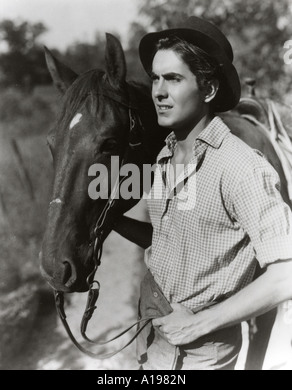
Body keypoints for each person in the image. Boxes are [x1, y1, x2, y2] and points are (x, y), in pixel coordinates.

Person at [113, 16, 292, 370]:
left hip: (198, 357)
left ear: (208, 90)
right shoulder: (166, 156)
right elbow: (173, 240)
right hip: (152, 342)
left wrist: (200, 322)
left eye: (174, 79)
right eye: (156, 78)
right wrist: (111, 220)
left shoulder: (241, 167)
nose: (159, 92)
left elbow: (286, 274)